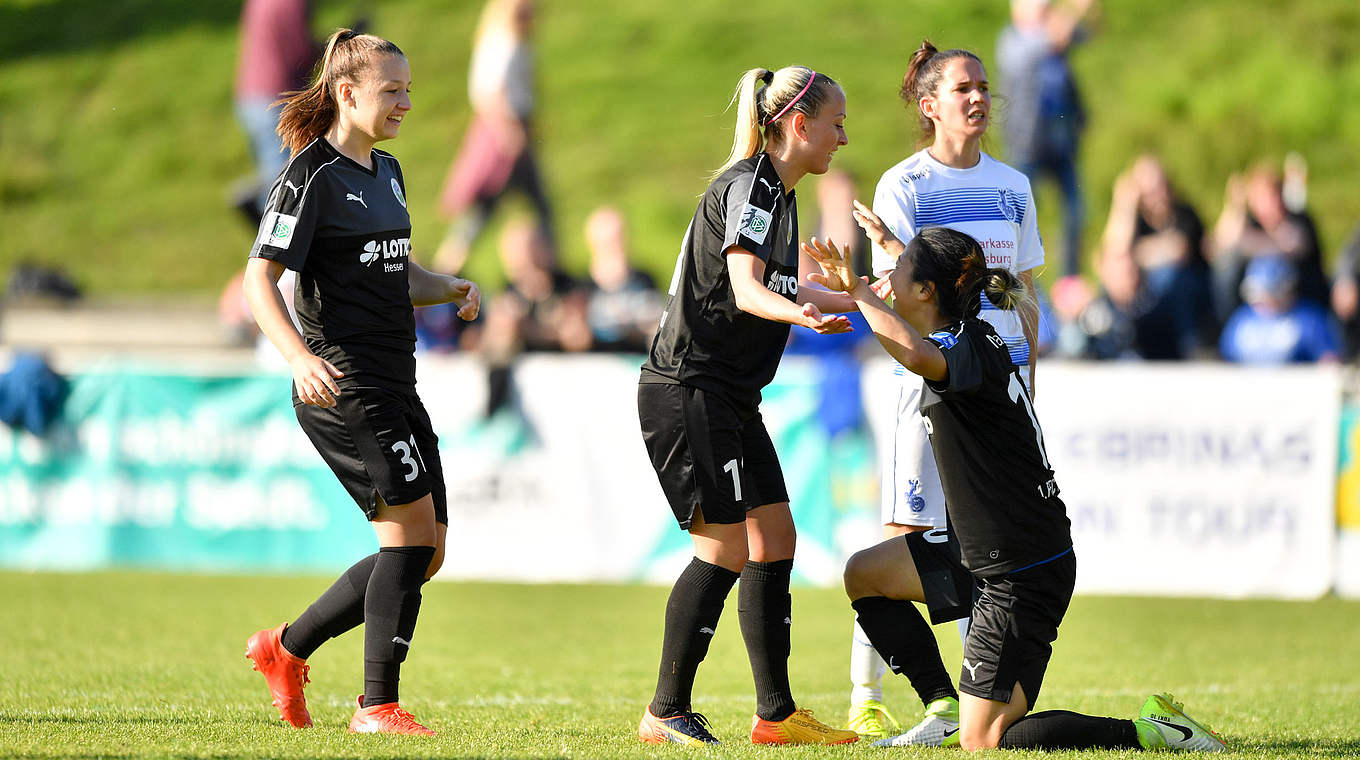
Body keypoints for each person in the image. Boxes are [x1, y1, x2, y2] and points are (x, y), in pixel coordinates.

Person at [805, 224, 1227, 753]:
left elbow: (913, 355)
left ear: (926, 292)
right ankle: (942, 706)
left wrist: (861, 294)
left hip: (1020, 568)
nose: (891, 277)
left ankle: (1150, 732)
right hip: (983, 552)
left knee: (985, 742)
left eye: (901, 270)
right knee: (864, 574)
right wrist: (893, 250)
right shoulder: (964, 335)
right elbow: (923, 315)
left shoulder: (961, 347)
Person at [240, 29, 482, 736]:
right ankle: (376, 706)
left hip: (396, 380)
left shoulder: (388, 172)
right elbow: (259, 280)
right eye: (392, 90)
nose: (406, 102)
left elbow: (393, 271)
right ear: (348, 93)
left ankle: (283, 650)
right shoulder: (308, 174)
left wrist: (448, 287)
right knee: (407, 538)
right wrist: (296, 356)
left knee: (426, 550)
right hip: (342, 384)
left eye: (408, 89)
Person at [635, 65, 861, 747]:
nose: (843, 138)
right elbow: (745, 288)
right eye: (836, 124)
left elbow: (789, 286)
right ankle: (664, 711)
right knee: (725, 544)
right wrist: (799, 313)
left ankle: (775, 715)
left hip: (730, 396)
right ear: (798, 124)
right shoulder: (752, 187)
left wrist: (873, 306)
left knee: (777, 536)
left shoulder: (780, 195)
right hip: (689, 390)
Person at [845, 39, 1043, 745]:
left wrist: (1026, 371)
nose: (979, 97)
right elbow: (902, 292)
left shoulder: (1014, 187)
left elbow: (1024, 289)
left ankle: (960, 699)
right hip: (926, 385)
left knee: (980, 542)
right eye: (963, 88)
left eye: (984, 86)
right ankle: (867, 694)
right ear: (929, 106)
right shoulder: (906, 186)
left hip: (992, 387)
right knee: (907, 535)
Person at [434, 0, 553, 274]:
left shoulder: (516, 41)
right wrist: (509, 133)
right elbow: (489, 92)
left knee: (534, 202)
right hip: (505, 133)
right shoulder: (502, 43)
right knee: (487, 205)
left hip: (516, 128)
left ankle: (550, 260)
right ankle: (448, 264)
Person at [996, 0, 1097, 279]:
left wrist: (1089, 11)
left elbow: (1089, 33)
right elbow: (1051, 39)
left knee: (1076, 213)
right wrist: (1075, 9)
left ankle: (1070, 278)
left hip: (1062, 142)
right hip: (1027, 145)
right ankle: (1024, 282)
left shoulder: (1050, 35)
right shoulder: (1012, 41)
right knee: (1022, 219)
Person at [1099, 154, 1216, 359]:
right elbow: (1115, 251)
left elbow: (1178, 250)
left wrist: (1135, 255)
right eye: (1148, 190)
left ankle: (1189, 346)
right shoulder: (1135, 219)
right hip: (1142, 289)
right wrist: (1123, 205)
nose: (1157, 195)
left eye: (1160, 186)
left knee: (1168, 276)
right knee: (1115, 277)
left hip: (1189, 288)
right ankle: (1119, 344)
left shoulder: (1184, 213)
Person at [233, 0, 322, 225]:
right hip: (276, 98)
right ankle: (259, 208)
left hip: (250, 96)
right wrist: (341, 47)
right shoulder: (294, 4)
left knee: (281, 176)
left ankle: (257, 198)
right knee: (286, 187)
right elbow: (301, 55)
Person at [1209, 163, 1328, 326]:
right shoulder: (1251, 222)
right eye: (1264, 197)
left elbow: (1291, 246)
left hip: (1303, 302)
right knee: (1227, 266)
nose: (1274, 202)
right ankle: (1231, 327)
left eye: (1276, 195)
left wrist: (1247, 243)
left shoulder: (1299, 219)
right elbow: (1220, 244)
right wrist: (1235, 206)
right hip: (1256, 305)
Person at [1219, 256, 1341, 365]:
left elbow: (1328, 361)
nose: (1264, 299)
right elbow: (1225, 360)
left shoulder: (1309, 319)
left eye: (1270, 292)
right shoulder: (1241, 319)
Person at [582, 206, 662, 353]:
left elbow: (656, 328)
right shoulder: (582, 287)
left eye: (619, 237)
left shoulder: (645, 280)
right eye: (609, 241)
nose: (616, 245)